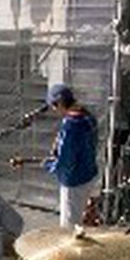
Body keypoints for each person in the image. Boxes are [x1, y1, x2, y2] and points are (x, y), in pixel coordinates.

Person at [43, 83, 98, 228]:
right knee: (87, 222)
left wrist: (49, 166)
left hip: (74, 181)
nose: (55, 110)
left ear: (60, 103)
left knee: (70, 228)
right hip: (89, 174)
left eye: (54, 106)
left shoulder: (71, 125)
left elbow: (66, 161)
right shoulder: (88, 117)